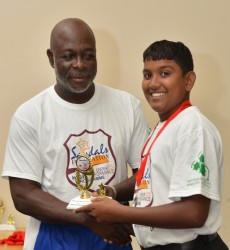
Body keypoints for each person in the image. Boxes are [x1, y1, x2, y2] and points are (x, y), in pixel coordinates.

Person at [1, 18, 149, 250]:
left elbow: (146, 175)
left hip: (111, 234)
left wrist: (112, 196)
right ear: (51, 58)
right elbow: (23, 195)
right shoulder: (30, 114)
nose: (80, 64)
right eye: (69, 56)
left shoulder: (127, 106)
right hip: (53, 238)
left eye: (88, 55)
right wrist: (86, 219)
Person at [75, 40, 229, 250]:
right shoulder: (164, 126)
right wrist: (114, 202)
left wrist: (119, 212)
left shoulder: (192, 126)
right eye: (148, 75)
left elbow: (194, 214)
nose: (153, 83)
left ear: (188, 80)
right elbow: (157, 197)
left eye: (165, 73)